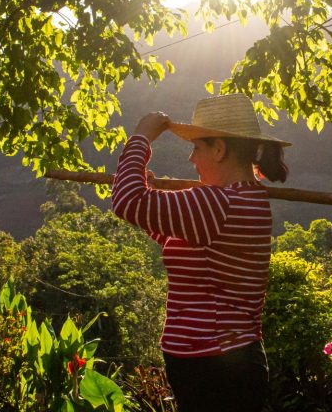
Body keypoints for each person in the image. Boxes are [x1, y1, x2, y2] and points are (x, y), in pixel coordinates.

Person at [110, 94, 291, 412]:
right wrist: (151, 205)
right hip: (220, 363)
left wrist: (141, 137)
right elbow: (176, 239)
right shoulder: (238, 199)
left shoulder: (218, 203)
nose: (191, 159)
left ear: (219, 149)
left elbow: (127, 202)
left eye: (197, 148)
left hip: (216, 367)